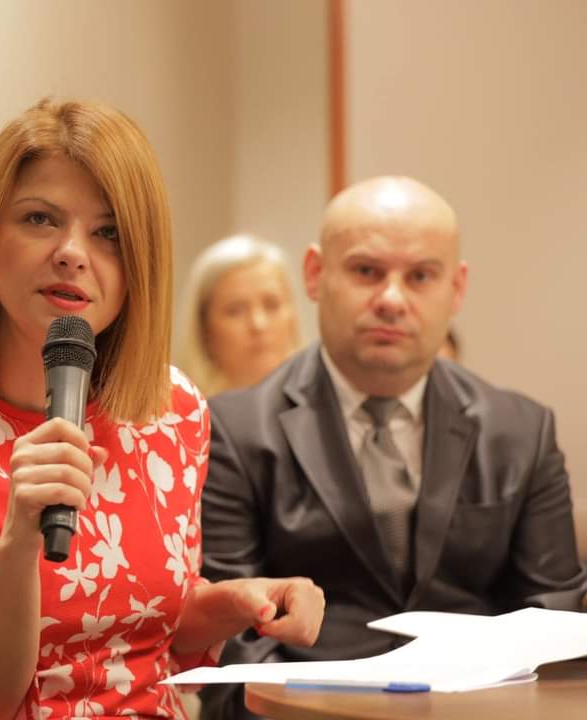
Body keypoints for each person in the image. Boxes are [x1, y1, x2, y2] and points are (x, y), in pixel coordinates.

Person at [0, 98, 325, 720]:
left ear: (139, 267)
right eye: (40, 219)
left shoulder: (172, 409)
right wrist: (18, 542)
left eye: (108, 233)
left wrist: (241, 601)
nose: (72, 253)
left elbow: (150, 626)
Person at [198, 175, 587, 719]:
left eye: (421, 276)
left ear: (457, 288)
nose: (391, 299)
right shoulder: (232, 430)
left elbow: (552, 622)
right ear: (315, 274)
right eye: (366, 271)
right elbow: (229, 637)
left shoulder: (521, 431)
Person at [177, 235, 302, 396]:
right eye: (235, 311)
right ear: (204, 328)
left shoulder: (324, 401)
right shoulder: (183, 409)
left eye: (271, 305)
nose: (258, 324)